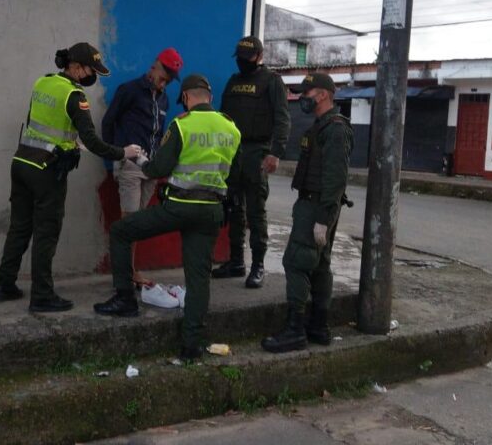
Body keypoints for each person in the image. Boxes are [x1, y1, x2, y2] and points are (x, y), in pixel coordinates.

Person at [93, 74, 241, 361]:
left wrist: (138, 158)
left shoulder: (182, 126)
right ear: (208, 97)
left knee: (122, 231)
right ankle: (192, 346)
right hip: (211, 211)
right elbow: (232, 170)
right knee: (198, 279)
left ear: (186, 97)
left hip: (178, 208)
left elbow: (156, 169)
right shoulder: (231, 128)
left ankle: (125, 299)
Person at [0, 42, 141, 313]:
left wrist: (70, 145)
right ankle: (42, 296)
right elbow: (93, 141)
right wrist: (124, 152)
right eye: (90, 70)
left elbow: (40, 124)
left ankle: (4, 283)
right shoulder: (74, 95)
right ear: (76, 67)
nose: (91, 76)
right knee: (47, 232)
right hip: (46, 172)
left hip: (22, 161)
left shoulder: (43, 82)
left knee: (20, 227)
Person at [261, 73, 353, 353]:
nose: (302, 98)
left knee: (297, 261)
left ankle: (295, 330)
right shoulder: (323, 126)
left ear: (323, 94)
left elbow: (336, 178)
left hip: (316, 206)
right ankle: (318, 326)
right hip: (315, 204)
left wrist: (323, 219)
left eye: (307, 92)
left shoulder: (335, 129)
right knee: (320, 265)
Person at [212, 35, 290, 289]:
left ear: (259, 57)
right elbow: (223, 118)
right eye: (240, 59)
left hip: (258, 151)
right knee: (234, 207)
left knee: (256, 212)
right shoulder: (233, 82)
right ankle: (236, 261)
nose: (243, 63)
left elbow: (282, 118)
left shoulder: (272, 82)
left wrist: (275, 152)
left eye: (247, 58)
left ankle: (258, 265)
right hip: (233, 153)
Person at [102, 48, 184, 286]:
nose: (165, 79)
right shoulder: (129, 91)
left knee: (136, 224)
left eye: (170, 77)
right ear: (154, 66)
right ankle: (126, 276)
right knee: (128, 221)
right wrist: (113, 155)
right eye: (164, 73)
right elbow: (109, 121)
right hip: (129, 164)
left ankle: (130, 272)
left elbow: (159, 135)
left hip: (151, 167)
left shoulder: (165, 98)